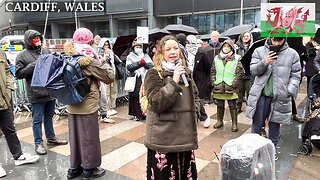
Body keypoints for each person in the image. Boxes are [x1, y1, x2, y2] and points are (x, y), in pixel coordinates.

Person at [144, 35, 200, 180]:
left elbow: (195, 94)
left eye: (176, 48)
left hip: (185, 135)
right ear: (161, 52)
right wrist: (174, 81)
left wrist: (197, 113)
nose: (173, 52)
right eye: (168, 49)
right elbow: (156, 103)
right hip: (164, 137)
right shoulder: (154, 73)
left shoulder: (185, 71)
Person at [63, 28, 115, 179]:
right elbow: (109, 76)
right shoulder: (87, 57)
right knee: (89, 136)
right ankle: (89, 169)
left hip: (71, 101)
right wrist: (102, 61)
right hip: (87, 102)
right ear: (90, 40)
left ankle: (74, 167)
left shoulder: (68, 55)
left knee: (75, 136)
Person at [246, 35, 301, 161]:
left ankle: (272, 150)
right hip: (261, 95)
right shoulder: (259, 51)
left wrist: (289, 90)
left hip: (280, 96)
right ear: (270, 38)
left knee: (275, 125)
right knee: (257, 124)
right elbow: (253, 71)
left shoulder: (292, 54)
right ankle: (255, 150)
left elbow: (296, 75)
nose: (276, 43)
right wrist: (265, 62)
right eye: (274, 39)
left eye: (279, 40)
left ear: (284, 39)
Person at [15, 30, 68, 155]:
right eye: (34, 39)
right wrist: (34, 65)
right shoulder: (22, 55)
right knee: (37, 119)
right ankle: (38, 142)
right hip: (36, 93)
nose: (37, 41)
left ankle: (51, 138)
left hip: (49, 91)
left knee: (49, 117)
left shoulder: (45, 51)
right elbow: (19, 74)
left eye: (39, 38)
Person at [0, 50, 39, 178]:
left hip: (4, 99)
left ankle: (18, 156)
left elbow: (6, 70)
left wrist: (9, 88)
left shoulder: (0, 52)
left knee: (10, 129)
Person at [210, 39, 244, 132]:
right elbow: (213, 71)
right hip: (219, 85)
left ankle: (234, 124)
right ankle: (219, 121)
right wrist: (213, 82)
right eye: (224, 46)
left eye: (228, 46)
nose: (226, 48)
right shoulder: (217, 58)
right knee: (219, 105)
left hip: (230, 86)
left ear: (232, 48)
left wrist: (234, 84)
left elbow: (239, 73)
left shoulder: (237, 58)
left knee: (232, 106)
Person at [126, 40, 153, 121]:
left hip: (145, 78)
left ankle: (144, 112)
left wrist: (145, 64)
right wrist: (138, 63)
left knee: (144, 95)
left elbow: (151, 65)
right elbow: (129, 67)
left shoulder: (146, 55)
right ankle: (136, 114)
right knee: (135, 97)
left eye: (140, 47)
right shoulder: (130, 56)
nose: (138, 48)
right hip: (136, 78)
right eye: (136, 47)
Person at [190, 35, 212, 128]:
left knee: (197, 99)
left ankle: (204, 117)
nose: (189, 44)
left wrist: (204, 79)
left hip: (198, 80)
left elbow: (207, 67)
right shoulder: (182, 52)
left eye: (191, 42)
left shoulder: (201, 52)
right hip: (186, 79)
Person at [97, 38, 120, 123]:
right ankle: (106, 108)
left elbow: (115, 62)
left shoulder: (111, 52)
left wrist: (112, 55)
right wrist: (105, 56)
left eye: (107, 44)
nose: (106, 46)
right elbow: (100, 64)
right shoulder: (99, 53)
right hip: (104, 74)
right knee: (105, 92)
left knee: (113, 91)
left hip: (112, 73)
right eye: (104, 45)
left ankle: (112, 107)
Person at [235, 31, 253, 113]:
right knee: (239, 91)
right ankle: (238, 106)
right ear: (241, 37)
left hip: (249, 73)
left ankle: (249, 108)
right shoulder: (236, 47)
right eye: (244, 36)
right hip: (239, 73)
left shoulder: (252, 47)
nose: (246, 37)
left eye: (247, 36)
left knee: (249, 92)